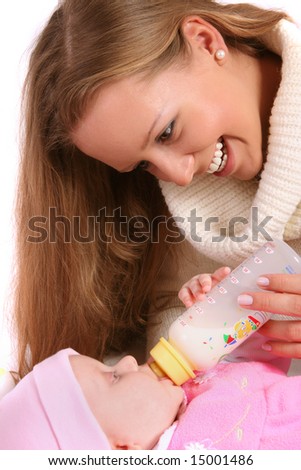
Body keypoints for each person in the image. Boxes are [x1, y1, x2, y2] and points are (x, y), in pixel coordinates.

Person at [14, 0, 301, 377]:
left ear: (204, 39)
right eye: (143, 165)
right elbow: (166, 347)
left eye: (167, 131)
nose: (179, 176)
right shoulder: (171, 211)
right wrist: (215, 329)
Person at [1, 347, 301, 450]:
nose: (129, 360)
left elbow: (252, 376)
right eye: (113, 376)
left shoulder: (176, 399)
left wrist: (228, 327)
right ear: (122, 447)